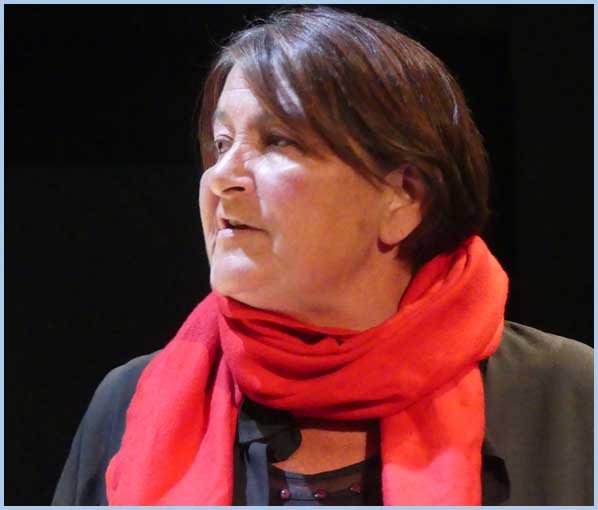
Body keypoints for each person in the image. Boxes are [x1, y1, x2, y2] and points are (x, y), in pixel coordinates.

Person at [52, 6, 593, 506]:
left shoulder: (568, 398)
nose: (221, 177)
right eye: (221, 144)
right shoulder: (129, 403)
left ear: (404, 199)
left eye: (277, 141)